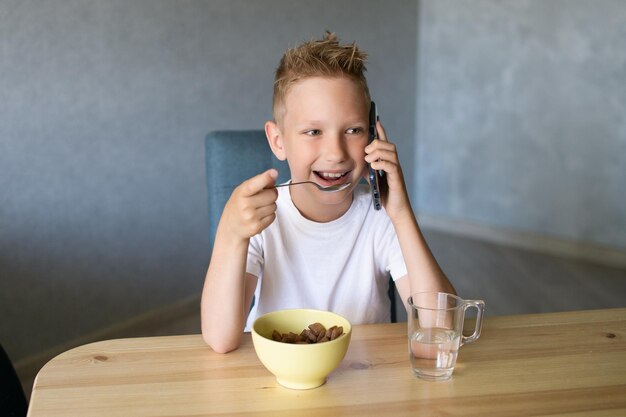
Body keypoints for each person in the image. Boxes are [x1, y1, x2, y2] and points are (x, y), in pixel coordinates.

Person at [201, 32, 455, 353]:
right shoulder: (262, 218)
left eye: (353, 130)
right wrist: (230, 234)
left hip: (362, 380)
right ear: (279, 141)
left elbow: (442, 331)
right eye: (313, 132)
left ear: (373, 134)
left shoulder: (380, 218)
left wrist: (401, 214)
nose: (335, 153)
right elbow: (220, 339)